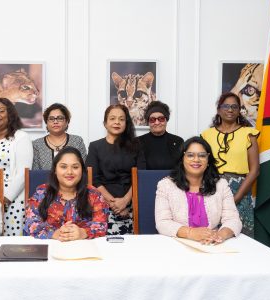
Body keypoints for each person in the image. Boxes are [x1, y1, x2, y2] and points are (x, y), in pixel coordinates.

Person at [155, 137, 242, 244]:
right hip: (177, 244)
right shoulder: (165, 186)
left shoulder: (221, 185)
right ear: (182, 159)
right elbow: (162, 222)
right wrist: (191, 233)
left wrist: (219, 236)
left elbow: (233, 219)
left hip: (211, 245)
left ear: (208, 160)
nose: (196, 159)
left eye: (202, 155)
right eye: (190, 155)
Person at [201, 92, 259, 237]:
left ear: (239, 110)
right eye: (226, 106)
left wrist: (236, 198)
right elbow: (201, 165)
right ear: (219, 109)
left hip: (240, 190)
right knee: (210, 236)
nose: (230, 109)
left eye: (234, 106)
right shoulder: (206, 135)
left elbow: (255, 170)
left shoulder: (249, 133)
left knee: (240, 239)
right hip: (212, 189)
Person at [24, 147, 109, 240]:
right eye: (63, 167)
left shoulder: (94, 194)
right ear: (55, 170)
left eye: (75, 167)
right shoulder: (42, 192)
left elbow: (102, 225)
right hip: (52, 247)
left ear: (82, 170)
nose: (69, 172)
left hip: (84, 248)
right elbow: (31, 224)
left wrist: (83, 232)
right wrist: (55, 234)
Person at [86, 104, 146, 235]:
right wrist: (113, 204)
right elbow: (93, 179)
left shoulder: (136, 145)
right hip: (102, 203)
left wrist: (125, 201)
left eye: (121, 119)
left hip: (131, 203)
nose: (117, 122)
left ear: (126, 123)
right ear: (105, 123)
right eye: (112, 118)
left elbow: (140, 176)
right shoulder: (95, 146)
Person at [0, 98, 33, 236]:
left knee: (11, 241)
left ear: (10, 114)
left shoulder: (21, 137)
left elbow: (23, 173)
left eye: (1, 111)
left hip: (12, 200)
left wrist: (4, 199)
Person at [32, 103, 87, 170]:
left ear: (67, 121)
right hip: (44, 180)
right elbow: (35, 173)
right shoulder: (37, 144)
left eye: (60, 118)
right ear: (46, 122)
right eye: (51, 119)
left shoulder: (77, 141)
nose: (55, 121)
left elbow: (83, 168)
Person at [138, 101, 183, 170]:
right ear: (148, 122)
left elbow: (181, 169)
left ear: (166, 120)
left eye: (161, 119)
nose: (157, 122)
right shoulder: (138, 142)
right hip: (146, 180)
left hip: (172, 180)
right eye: (152, 120)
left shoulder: (178, 141)